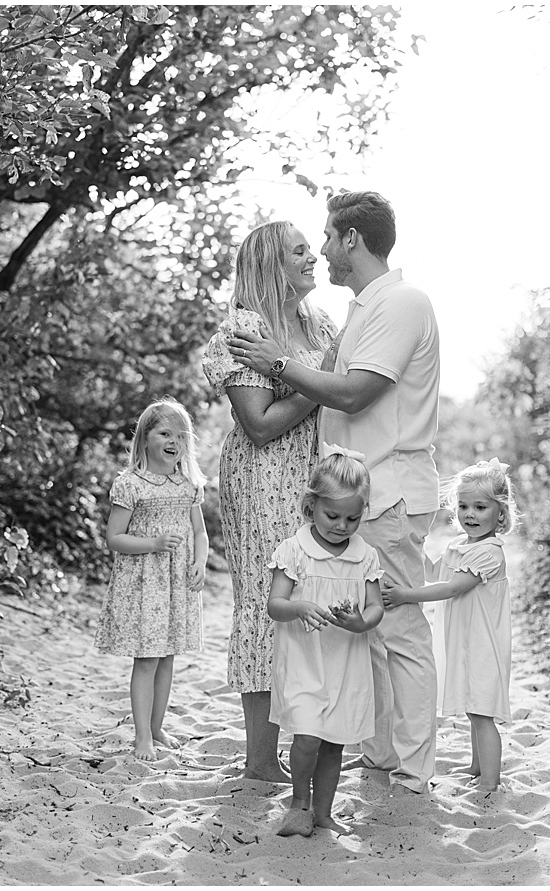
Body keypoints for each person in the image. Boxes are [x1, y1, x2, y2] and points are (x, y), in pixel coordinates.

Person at [228, 190, 442, 793]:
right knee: (367, 632)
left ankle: (414, 765)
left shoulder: (401, 302)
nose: (322, 250)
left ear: (352, 239)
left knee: (399, 631)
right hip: (362, 494)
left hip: (391, 492)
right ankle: (380, 753)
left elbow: (351, 394)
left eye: (326, 237)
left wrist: (277, 363)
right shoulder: (363, 307)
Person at [200, 220, 340, 783]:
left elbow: (340, 387)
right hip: (261, 475)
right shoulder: (245, 326)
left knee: (306, 597)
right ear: (270, 266)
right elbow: (257, 425)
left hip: (310, 471)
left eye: (313, 248)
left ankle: (298, 740)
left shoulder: (319, 321)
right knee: (267, 598)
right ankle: (259, 759)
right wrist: (316, 381)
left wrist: (311, 376)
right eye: (300, 251)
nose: (313, 257)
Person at [380, 458, 521, 792]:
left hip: (483, 641)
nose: (469, 514)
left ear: (500, 513)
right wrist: (408, 545)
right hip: (465, 640)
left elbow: (452, 588)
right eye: (463, 506)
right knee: (474, 709)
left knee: (483, 711)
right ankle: (476, 765)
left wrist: (405, 595)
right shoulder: (459, 545)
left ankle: (490, 779)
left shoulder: (490, 552)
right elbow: (433, 572)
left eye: (480, 507)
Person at [267, 448, 385, 837]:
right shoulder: (295, 550)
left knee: (333, 743)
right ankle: (299, 803)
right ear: (310, 506)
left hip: (345, 664)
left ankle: (323, 811)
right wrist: (300, 606)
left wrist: (358, 622)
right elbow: (275, 605)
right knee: (307, 737)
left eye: (353, 518)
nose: (342, 526)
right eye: (332, 516)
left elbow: (375, 610)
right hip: (303, 661)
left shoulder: (365, 556)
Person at [100, 399, 209, 760]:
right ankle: (142, 735)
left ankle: (158, 726)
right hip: (145, 583)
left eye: (180, 434)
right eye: (164, 433)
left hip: (177, 583)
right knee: (147, 659)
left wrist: (201, 561)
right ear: (145, 439)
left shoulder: (188, 484)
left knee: (167, 659)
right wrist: (154, 543)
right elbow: (114, 537)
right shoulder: (131, 484)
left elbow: (199, 531)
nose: (173, 440)